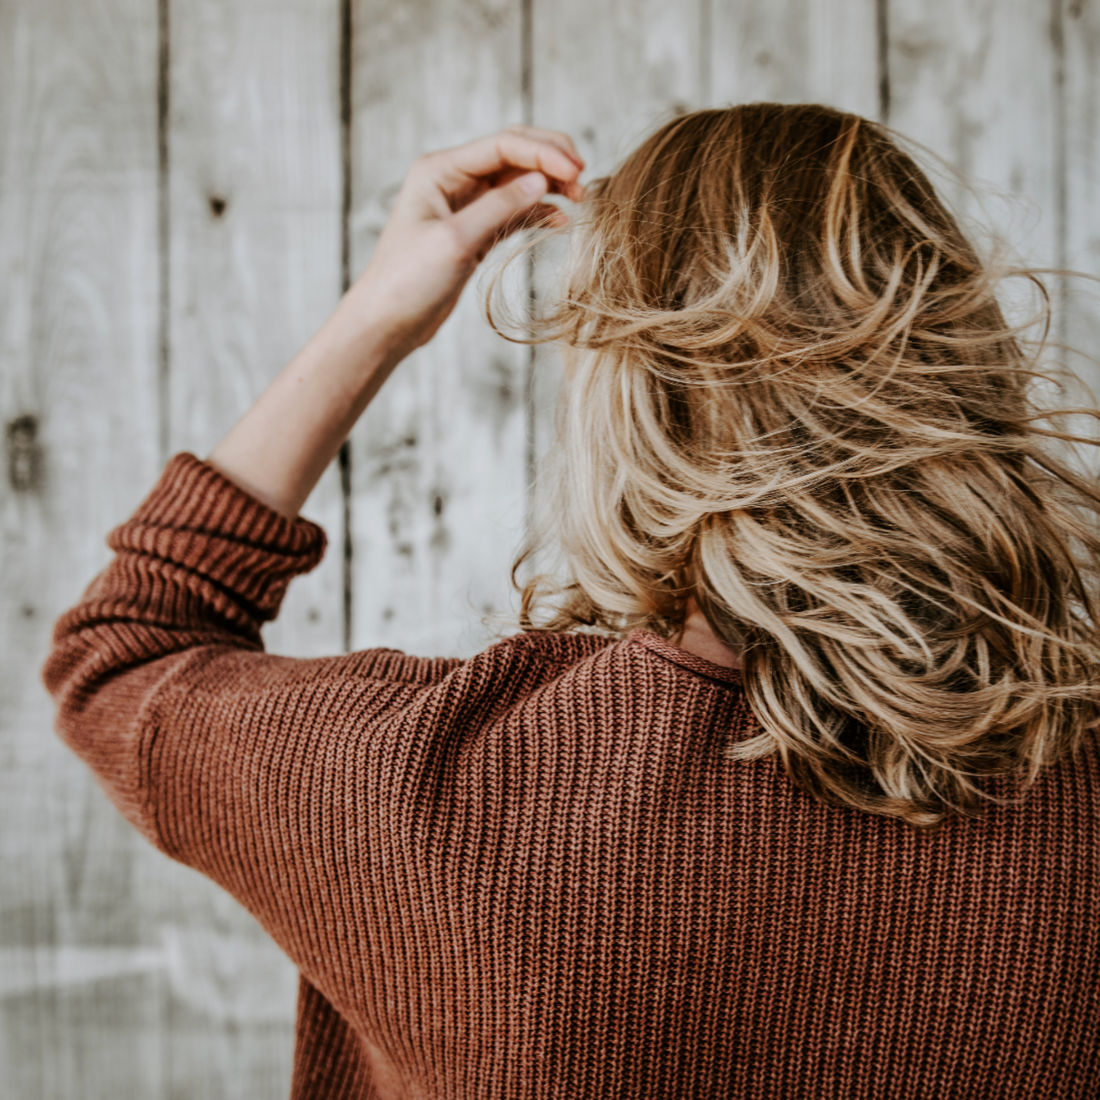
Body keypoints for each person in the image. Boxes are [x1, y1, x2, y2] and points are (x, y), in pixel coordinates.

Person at [44, 105, 1100, 1099]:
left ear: (628, 402)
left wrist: (376, 316)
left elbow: (126, 645)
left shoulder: (425, 785)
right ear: (961, 361)